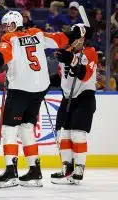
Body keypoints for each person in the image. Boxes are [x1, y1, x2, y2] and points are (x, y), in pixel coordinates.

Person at [0, 11, 84, 188]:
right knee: (27, 127)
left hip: (21, 89)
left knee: (9, 129)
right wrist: (75, 32)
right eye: (5, 26)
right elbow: (59, 39)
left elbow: (2, 57)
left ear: (15, 24)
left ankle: (10, 172)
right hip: (39, 89)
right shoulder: (37, 33)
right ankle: (34, 172)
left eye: (8, 25)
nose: (5, 29)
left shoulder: (9, 39)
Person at [50, 24, 97, 185]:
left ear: (83, 38)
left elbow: (83, 74)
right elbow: (61, 77)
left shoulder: (90, 53)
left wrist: (71, 59)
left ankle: (79, 168)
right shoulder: (67, 52)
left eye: (76, 36)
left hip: (84, 97)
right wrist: (44, 82)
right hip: (67, 97)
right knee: (63, 134)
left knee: (77, 133)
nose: (72, 39)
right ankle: (67, 168)